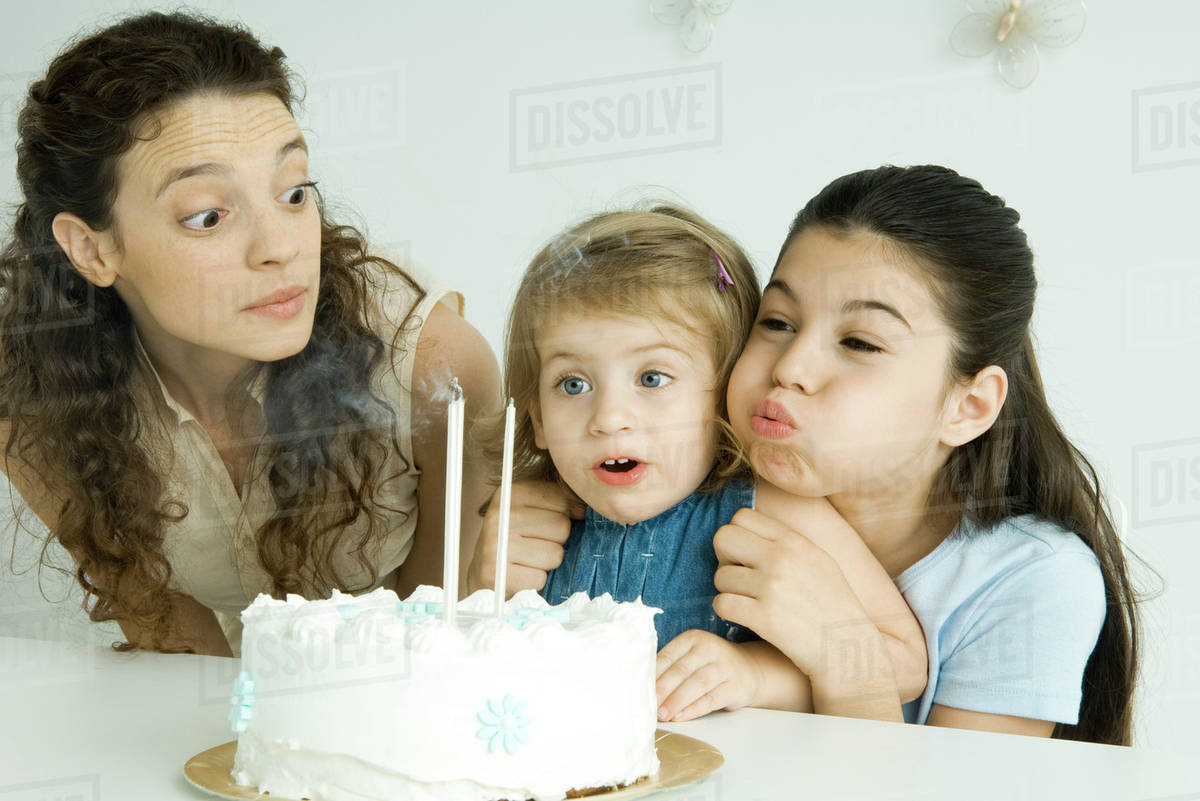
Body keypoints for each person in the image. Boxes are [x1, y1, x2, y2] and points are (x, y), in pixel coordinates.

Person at [0, 11, 500, 657]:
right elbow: (176, 652)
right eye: (208, 216)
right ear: (91, 249)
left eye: (294, 193)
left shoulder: (436, 367)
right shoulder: (29, 388)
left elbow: (439, 631)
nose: (280, 248)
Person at [697, 165, 1139, 743]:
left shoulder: (1031, 581)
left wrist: (844, 653)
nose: (790, 367)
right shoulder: (677, 493)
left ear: (968, 407)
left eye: (859, 342)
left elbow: (962, 788)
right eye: (777, 322)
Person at [467, 204, 928, 721]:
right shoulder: (531, 520)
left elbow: (903, 663)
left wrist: (753, 673)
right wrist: (484, 586)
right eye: (573, 384)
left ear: (723, 394)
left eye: (652, 378)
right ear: (538, 419)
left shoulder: (768, 510)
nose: (609, 418)